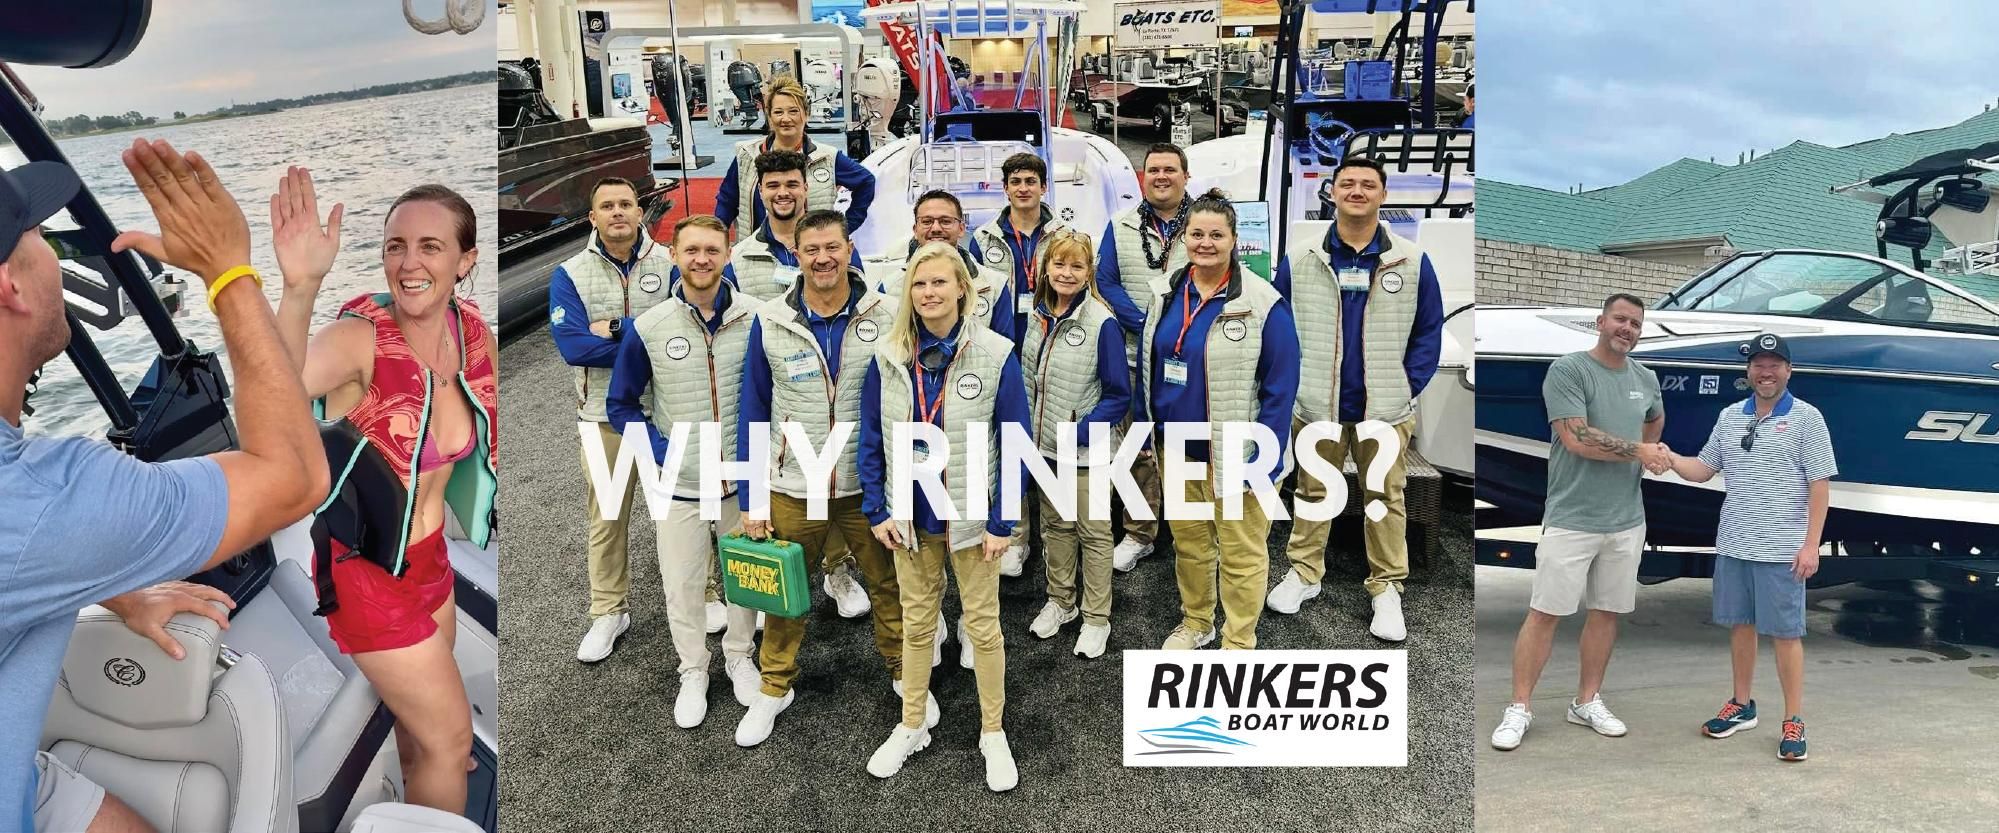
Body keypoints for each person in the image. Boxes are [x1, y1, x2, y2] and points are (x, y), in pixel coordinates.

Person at [2, 141, 328, 832]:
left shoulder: (35, 519)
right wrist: (228, 271)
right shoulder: (36, 496)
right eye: (40, 237)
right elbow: (295, 476)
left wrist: (110, 579)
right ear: (10, 287)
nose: (56, 257)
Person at [272, 170, 496, 813]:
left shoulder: (473, 334)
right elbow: (271, 395)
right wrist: (300, 288)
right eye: (396, 246)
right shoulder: (359, 341)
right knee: (452, 744)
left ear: (466, 260)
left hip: (431, 562)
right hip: (368, 575)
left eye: (430, 246)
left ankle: (409, 809)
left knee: (422, 737)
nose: (409, 263)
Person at [734, 209, 929, 747]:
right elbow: (753, 411)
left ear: (849, 250)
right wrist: (752, 497)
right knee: (784, 594)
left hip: (868, 486)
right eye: (812, 250)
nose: (823, 259)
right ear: (796, 255)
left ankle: (904, 676)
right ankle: (775, 686)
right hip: (794, 484)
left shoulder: (887, 314)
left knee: (890, 586)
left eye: (832, 248)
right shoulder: (771, 320)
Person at [859, 241, 1030, 791]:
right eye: (919, 283)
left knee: (983, 628)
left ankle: (993, 732)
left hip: (973, 520)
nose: (929, 292)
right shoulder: (888, 356)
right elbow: (870, 438)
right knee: (917, 626)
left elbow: (1016, 443)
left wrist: (1003, 522)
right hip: (910, 519)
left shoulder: (996, 354)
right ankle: (911, 724)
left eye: (939, 282)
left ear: (963, 289)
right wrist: (877, 507)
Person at [1268, 155, 1443, 642]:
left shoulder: (1412, 261)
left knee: (1385, 497)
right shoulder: (1301, 259)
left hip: (1384, 409)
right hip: (1316, 405)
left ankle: (1386, 586)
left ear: (1383, 195)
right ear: (1332, 192)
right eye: (1348, 183)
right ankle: (1305, 573)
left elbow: (1428, 330)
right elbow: (1279, 330)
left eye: (1368, 184)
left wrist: (1406, 385)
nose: (1358, 191)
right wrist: (1292, 385)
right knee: (1314, 492)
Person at [1490, 293, 1669, 752]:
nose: (1627, 329)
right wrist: (1639, 452)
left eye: (1635, 323)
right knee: (1545, 613)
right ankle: (1519, 707)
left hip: (1626, 519)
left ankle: (1586, 702)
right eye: (1620, 319)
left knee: (1606, 613)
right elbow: (1576, 438)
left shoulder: (1645, 378)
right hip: (1572, 518)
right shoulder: (1569, 370)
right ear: (1600, 322)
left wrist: (1647, 449)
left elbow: (1655, 418)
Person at [606, 215, 764, 729]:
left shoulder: (757, 318)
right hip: (679, 484)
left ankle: (740, 655)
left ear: (727, 254)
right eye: (692, 250)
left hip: (740, 480)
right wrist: (663, 451)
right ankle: (693, 670)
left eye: (712, 250)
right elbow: (621, 405)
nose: (702, 259)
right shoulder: (648, 328)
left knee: (745, 579)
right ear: (673, 255)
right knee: (682, 584)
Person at [1134, 189, 1300, 650]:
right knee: (1190, 546)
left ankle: (1238, 640)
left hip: (1238, 453)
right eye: (1197, 234)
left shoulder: (1263, 303)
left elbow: (1280, 388)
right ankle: (1197, 622)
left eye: (1216, 235)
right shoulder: (1166, 292)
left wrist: (1264, 460)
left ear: (1233, 240)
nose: (1205, 243)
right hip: (1180, 448)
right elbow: (1150, 365)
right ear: (1184, 237)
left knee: (1242, 553)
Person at [1662, 333, 1833, 762]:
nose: (1766, 372)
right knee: (1740, 626)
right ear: (1749, 371)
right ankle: (1741, 705)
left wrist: (1811, 546)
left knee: (1786, 635)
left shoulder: (1808, 418)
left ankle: (1793, 720)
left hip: (1781, 551)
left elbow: (1819, 485)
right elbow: (1703, 469)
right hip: (1734, 543)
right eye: (1759, 364)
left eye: (1774, 364)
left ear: (1789, 370)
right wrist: (1670, 458)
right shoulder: (1729, 416)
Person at [724, 149, 871, 617]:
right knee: (792, 499)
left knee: (837, 480)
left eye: (791, 184)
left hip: (833, 398)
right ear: (760, 191)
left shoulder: (834, 243)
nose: (783, 193)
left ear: (806, 188)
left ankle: (838, 570)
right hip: (777, 388)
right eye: (773, 185)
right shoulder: (741, 258)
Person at [549, 177, 677, 663]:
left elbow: (686, 327)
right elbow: (574, 347)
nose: (618, 212)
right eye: (607, 206)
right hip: (602, 417)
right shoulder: (570, 273)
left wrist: (621, 329)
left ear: (640, 212)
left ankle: (705, 593)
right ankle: (609, 611)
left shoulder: (670, 263)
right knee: (607, 519)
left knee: (681, 514)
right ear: (593, 217)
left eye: (626, 203)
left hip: (665, 413)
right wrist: (655, 345)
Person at [1021, 229, 1130, 659]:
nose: (1066, 273)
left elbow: (1118, 395)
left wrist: (1078, 433)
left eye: (1076, 266)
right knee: (1056, 528)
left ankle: (1096, 618)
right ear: (1046, 268)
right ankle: (1060, 601)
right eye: (1059, 264)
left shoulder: (1102, 323)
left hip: (1085, 451)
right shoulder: (1035, 315)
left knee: (1094, 533)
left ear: (1089, 273)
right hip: (1044, 448)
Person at [968, 152, 1073, 577]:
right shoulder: (985, 238)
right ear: (1006, 188)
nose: (1023, 188)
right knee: (1010, 442)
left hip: (1051, 347)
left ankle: (1054, 537)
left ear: (1044, 187)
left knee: (1046, 443)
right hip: (1004, 350)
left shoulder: (1063, 234)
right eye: (1016, 181)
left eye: (1031, 181)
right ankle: (1015, 535)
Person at [1095, 144, 1187, 574]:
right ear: (1142, 178)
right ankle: (1138, 532)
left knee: (1188, 445)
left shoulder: (1205, 225)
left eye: (1170, 169)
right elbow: (1106, 281)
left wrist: (1175, 329)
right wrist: (1145, 323)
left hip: (1191, 360)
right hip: (1135, 356)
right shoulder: (1120, 226)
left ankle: (1190, 531)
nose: (1160, 176)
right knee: (1136, 448)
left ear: (1185, 176)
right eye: (1153, 170)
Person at [714, 75, 875, 239]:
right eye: (778, 112)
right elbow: (727, 200)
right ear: (769, 117)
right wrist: (717, 237)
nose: (786, 119)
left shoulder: (827, 157)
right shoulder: (747, 154)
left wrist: (843, 229)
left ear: (806, 114)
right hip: (756, 250)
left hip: (809, 250)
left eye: (793, 111)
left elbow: (866, 182)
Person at [865, 189, 1014, 342]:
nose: (936, 228)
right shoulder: (888, 289)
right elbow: (883, 348)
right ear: (915, 230)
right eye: (927, 222)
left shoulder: (994, 286)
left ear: (961, 229)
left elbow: (1004, 350)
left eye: (945, 221)